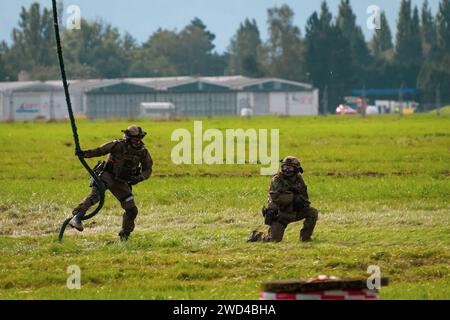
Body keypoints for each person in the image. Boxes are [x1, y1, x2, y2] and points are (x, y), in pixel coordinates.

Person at [69, 125, 153, 241]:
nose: (137, 141)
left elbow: (148, 169)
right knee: (96, 196)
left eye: (139, 139)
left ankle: (125, 236)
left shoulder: (143, 152)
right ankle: (77, 217)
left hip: (121, 183)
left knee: (132, 210)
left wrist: (139, 178)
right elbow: (100, 151)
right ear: (128, 138)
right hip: (107, 176)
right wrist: (84, 153)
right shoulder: (117, 145)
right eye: (135, 139)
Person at [247, 156, 318, 243]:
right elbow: (278, 198)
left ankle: (305, 238)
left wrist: (301, 202)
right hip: (280, 215)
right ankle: (256, 235)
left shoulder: (299, 179)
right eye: (285, 167)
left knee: (312, 212)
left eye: (290, 167)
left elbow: (305, 197)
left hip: (295, 211)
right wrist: (294, 197)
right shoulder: (277, 179)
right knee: (273, 240)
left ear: (296, 169)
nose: (287, 170)